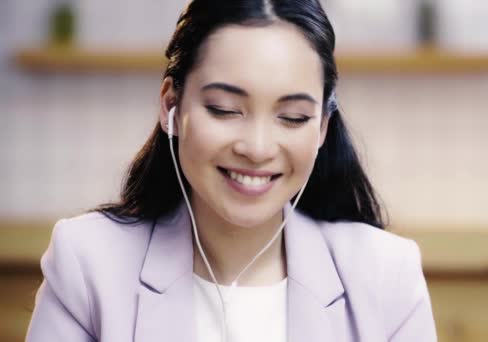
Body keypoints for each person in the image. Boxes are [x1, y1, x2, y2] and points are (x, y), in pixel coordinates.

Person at [26, 0, 437, 341]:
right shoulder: (87, 262)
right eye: (224, 109)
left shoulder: (387, 276)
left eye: (292, 117)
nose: (257, 149)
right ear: (172, 105)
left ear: (322, 129)